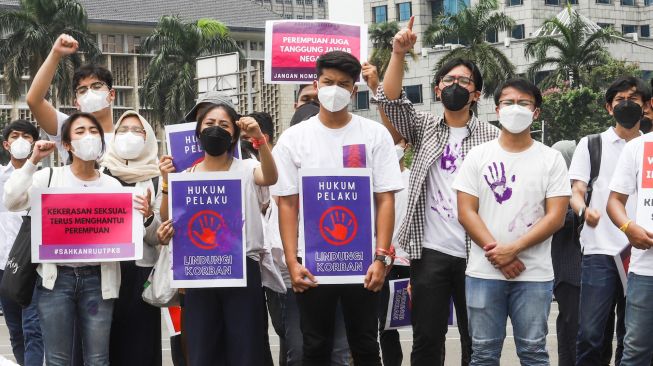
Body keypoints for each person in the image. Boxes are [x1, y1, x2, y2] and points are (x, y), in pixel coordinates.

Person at [370, 16, 498, 365]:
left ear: (477, 93)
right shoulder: (424, 125)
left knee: (478, 339)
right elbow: (392, 100)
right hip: (430, 250)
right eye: (449, 80)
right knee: (427, 337)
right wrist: (398, 53)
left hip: (479, 252)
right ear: (438, 89)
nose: (456, 85)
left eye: (464, 81)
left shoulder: (492, 137)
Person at [272, 50, 403, 365]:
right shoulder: (293, 139)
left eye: (343, 83)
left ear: (354, 90)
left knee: (366, 345)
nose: (334, 89)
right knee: (314, 346)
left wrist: (381, 258)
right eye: (327, 81)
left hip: (363, 263)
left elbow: (385, 198)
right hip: (312, 263)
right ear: (316, 86)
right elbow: (287, 204)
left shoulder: (374, 136)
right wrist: (292, 261)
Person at [3, 112, 150, 366]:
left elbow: (130, 238)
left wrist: (144, 217)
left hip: (99, 281)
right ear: (68, 144)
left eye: (94, 132)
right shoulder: (48, 178)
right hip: (55, 281)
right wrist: (33, 161)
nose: (89, 137)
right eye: (80, 131)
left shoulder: (113, 187)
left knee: (98, 359)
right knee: (58, 359)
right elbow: (12, 200)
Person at [453, 78, 570, 365]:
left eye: (524, 103)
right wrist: (499, 253)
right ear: (496, 109)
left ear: (536, 112)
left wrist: (513, 249)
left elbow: (556, 217)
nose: (515, 109)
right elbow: (466, 211)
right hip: (484, 272)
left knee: (533, 352)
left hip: (534, 274)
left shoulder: (551, 159)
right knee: (482, 353)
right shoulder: (478, 156)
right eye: (508, 103)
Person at [158, 93, 278, 365]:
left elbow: (270, 176)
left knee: (246, 350)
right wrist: (166, 183)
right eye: (209, 123)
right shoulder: (185, 176)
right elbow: (167, 217)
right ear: (198, 132)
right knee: (203, 350)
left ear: (234, 134)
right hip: (200, 272)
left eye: (224, 125)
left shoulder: (248, 168)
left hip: (243, 270)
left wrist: (259, 139)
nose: (216, 129)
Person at [570, 76, 650, 366]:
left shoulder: (648, 148)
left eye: (634, 100)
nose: (626, 105)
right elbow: (577, 192)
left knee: (633, 335)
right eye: (620, 100)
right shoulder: (592, 144)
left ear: (646, 108)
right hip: (600, 251)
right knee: (591, 334)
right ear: (608, 107)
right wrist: (584, 211)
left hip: (639, 253)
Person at [265, 102, 351, 366]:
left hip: (343, 270)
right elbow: (281, 206)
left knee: (340, 352)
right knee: (301, 350)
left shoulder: (345, 165)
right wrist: (292, 264)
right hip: (297, 276)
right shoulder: (287, 155)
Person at [101, 110, 163, 365]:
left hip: (141, 273)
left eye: (137, 130)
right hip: (105, 272)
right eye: (123, 129)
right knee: (105, 344)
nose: (129, 135)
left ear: (148, 137)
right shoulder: (100, 174)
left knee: (141, 347)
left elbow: (158, 236)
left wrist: (148, 216)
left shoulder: (158, 179)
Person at [606, 82, 653, 366]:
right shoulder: (638, 147)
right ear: (650, 105)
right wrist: (628, 228)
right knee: (635, 351)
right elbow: (614, 201)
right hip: (645, 269)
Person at [27, 34, 116, 163]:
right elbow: (34, 100)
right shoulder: (68, 128)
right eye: (83, 90)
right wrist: (55, 54)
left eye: (96, 86)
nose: (90, 93)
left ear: (111, 94)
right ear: (77, 103)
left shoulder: (127, 134)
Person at [0, 120, 44, 366]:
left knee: (33, 328)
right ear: (6, 144)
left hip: (35, 266)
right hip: (5, 266)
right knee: (16, 329)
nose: (20, 141)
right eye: (15, 136)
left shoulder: (44, 178)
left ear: (34, 143)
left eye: (26, 136)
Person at [550, 139, 581, 366]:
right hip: (569, 273)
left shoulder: (581, 187)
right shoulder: (556, 190)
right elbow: (558, 220)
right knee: (572, 327)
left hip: (581, 271)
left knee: (576, 327)